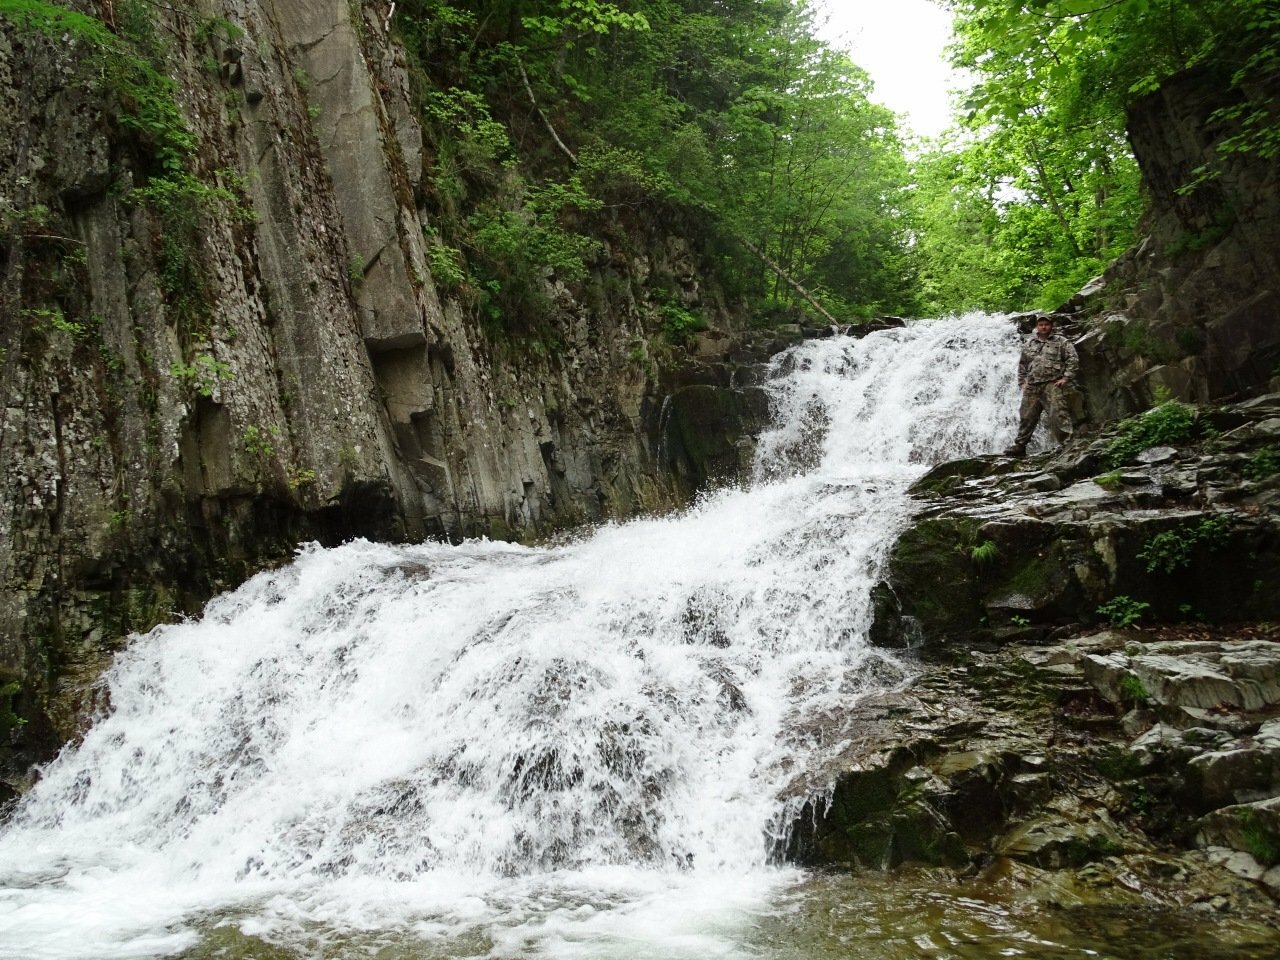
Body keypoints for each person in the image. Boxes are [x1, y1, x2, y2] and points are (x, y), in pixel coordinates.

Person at [1003, 316, 1079, 457]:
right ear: (1037, 326)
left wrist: (1066, 378)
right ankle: (1020, 446)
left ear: (1051, 326)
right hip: (1032, 386)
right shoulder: (1029, 344)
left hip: (1051, 384)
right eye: (1041, 324)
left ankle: (1067, 444)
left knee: (1058, 414)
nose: (1043, 327)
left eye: (1046, 324)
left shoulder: (1061, 342)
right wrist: (1022, 382)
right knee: (1026, 416)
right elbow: (1022, 365)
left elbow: (1073, 359)